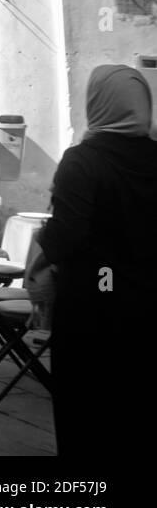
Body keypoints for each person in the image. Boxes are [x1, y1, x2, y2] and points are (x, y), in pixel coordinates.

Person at [40, 65, 157, 457]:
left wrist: (41, 251)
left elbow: (66, 235)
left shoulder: (82, 160)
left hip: (91, 313)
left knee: (87, 417)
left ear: (98, 103)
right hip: (145, 312)